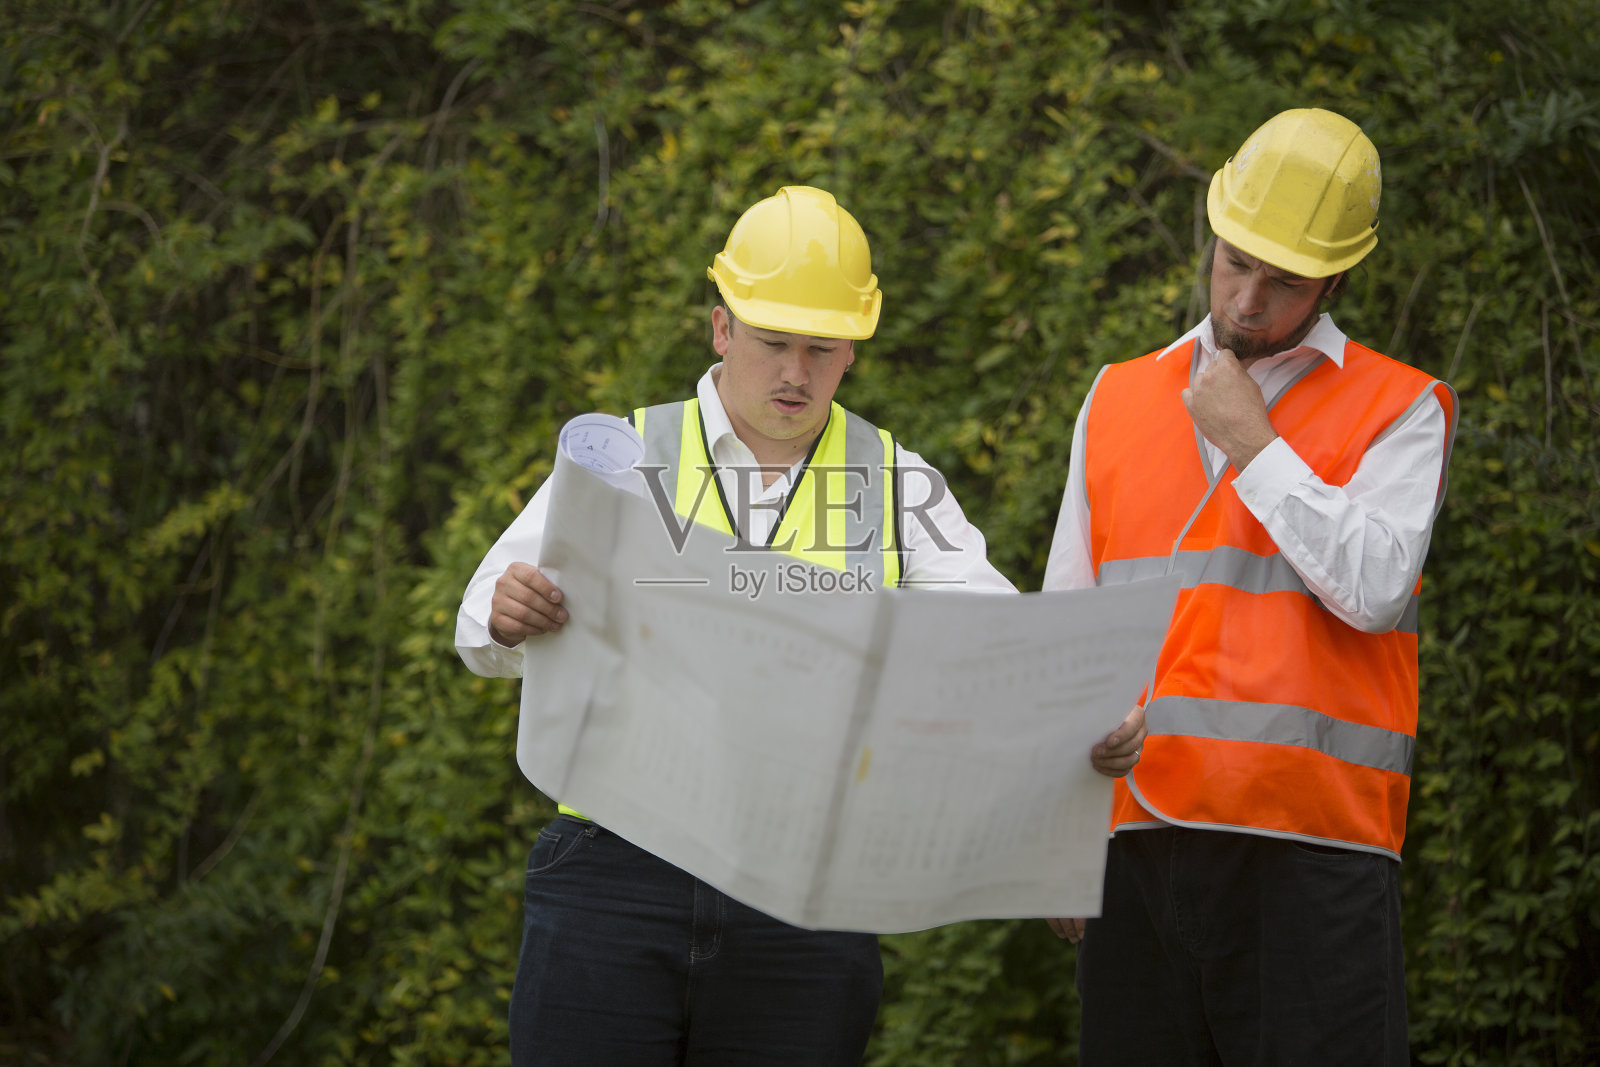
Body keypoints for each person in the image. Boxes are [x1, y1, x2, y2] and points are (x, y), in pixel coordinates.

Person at [457, 185, 1057, 1065]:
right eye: (774, 341)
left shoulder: (898, 482)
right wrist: (508, 613)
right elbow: (482, 613)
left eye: (822, 349)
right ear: (721, 329)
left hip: (804, 895)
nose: (795, 374)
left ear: (852, 351)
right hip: (615, 867)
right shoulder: (628, 455)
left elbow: (999, 647)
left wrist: (1070, 721)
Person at [1042, 108, 1458, 1064]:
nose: (1248, 298)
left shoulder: (1401, 407)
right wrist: (1056, 830)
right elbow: (1069, 627)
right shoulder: (1117, 395)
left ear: (1336, 280)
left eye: (1285, 280)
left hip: (1311, 852)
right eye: (1235, 263)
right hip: (1134, 851)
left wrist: (1256, 446)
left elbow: (1376, 588)